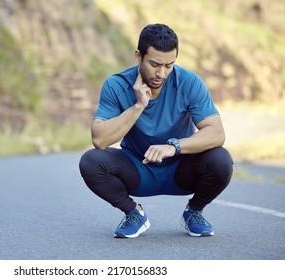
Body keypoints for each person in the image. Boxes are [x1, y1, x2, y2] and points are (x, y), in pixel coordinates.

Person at [79, 23, 233, 238]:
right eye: (154, 64)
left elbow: (216, 133)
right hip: (138, 169)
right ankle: (134, 214)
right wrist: (138, 106)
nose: (162, 73)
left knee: (221, 159)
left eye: (169, 65)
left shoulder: (189, 82)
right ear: (138, 56)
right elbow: (100, 140)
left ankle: (194, 212)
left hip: (181, 169)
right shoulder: (116, 85)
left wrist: (174, 147)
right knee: (91, 161)